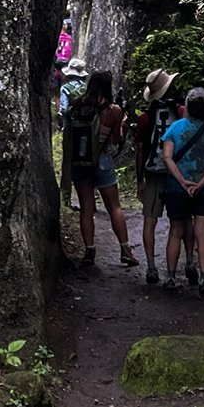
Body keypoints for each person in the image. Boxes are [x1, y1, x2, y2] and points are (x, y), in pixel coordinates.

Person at [61, 68, 136, 269]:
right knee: (114, 206)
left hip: (79, 161)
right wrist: (123, 127)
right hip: (101, 161)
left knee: (86, 207)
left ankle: (89, 251)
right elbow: (115, 140)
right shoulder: (113, 110)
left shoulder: (78, 105)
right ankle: (126, 249)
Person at [161, 84, 204, 295]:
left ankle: (170, 277)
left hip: (177, 189)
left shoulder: (175, 128)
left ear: (187, 106)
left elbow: (167, 157)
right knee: (203, 233)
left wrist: (181, 181)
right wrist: (201, 183)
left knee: (175, 231)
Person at [134, 66, 181, 286]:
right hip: (176, 174)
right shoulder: (180, 113)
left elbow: (141, 150)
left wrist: (139, 179)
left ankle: (151, 267)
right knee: (178, 222)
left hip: (152, 173)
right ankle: (181, 266)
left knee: (149, 221)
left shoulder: (145, 118)